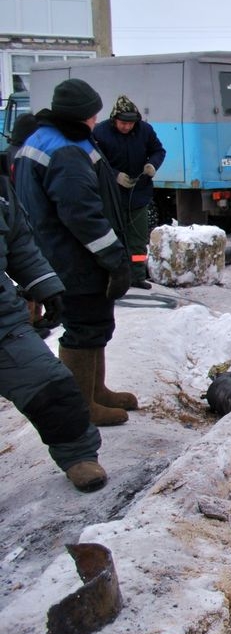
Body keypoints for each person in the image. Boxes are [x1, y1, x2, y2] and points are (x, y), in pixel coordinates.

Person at [13, 78, 136, 428]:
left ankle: (95, 391)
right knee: (83, 327)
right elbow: (81, 214)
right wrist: (114, 258)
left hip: (60, 253)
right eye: (94, 115)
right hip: (75, 258)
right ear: (83, 116)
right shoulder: (66, 149)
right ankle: (83, 404)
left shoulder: (46, 139)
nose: (97, 121)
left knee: (94, 324)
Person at [0, 173, 108, 491]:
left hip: (4, 325)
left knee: (54, 387)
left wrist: (45, 286)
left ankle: (79, 457)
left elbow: (18, 242)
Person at [92, 95, 166, 289]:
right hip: (111, 195)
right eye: (123, 123)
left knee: (138, 239)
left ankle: (137, 276)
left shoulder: (145, 130)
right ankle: (113, 277)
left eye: (130, 123)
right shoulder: (100, 132)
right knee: (112, 237)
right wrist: (114, 175)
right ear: (114, 119)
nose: (127, 127)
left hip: (139, 193)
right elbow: (95, 161)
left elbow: (159, 151)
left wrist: (152, 165)